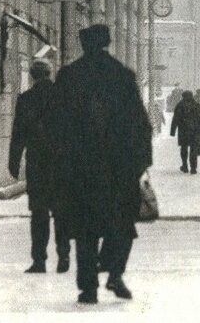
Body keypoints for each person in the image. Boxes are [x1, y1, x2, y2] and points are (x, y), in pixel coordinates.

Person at [48, 24, 152, 304]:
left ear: (84, 45)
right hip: (119, 168)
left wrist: (59, 163)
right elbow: (140, 124)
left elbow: (55, 125)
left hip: (80, 169)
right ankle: (115, 275)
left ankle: (88, 287)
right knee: (122, 225)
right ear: (106, 42)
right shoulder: (122, 76)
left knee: (85, 230)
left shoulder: (69, 76)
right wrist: (141, 162)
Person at [8, 59, 70, 274]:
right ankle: (64, 255)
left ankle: (39, 261)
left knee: (39, 213)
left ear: (33, 76)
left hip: (37, 165)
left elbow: (18, 134)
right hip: (61, 165)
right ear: (50, 74)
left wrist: (13, 162)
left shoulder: (26, 99)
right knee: (62, 212)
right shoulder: (63, 97)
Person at [170, 91, 200, 174]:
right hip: (195, 131)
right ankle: (193, 168)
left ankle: (185, 166)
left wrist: (173, 131)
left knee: (184, 148)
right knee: (193, 150)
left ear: (183, 96)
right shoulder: (197, 105)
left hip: (183, 131)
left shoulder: (180, 105)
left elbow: (175, 119)